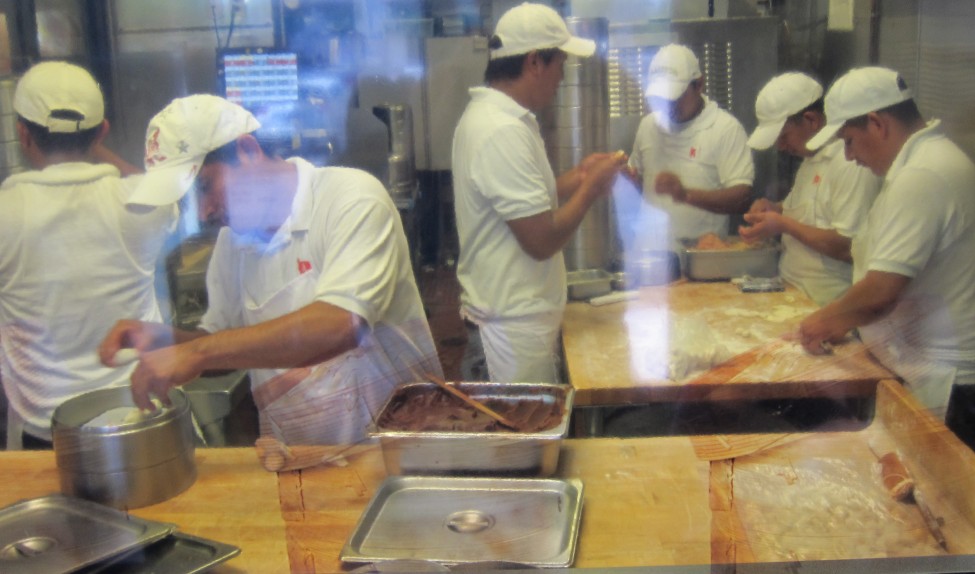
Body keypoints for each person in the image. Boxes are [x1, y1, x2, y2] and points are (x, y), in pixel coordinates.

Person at [99, 94, 442, 460]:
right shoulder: (233, 244)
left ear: (246, 150)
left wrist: (196, 353)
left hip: (396, 450)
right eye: (191, 198)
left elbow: (342, 323)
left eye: (205, 186)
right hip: (299, 460)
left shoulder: (350, 198)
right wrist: (169, 341)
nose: (204, 211)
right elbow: (223, 343)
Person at [797, 67, 975, 459]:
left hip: (950, 384)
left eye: (850, 140)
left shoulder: (922, 175)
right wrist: (847, 321)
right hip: (929, 372)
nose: (849, 155)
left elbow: (881, 293)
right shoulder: (918, 164)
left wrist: (822, 322)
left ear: (877, 123)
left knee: (945, 510)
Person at [0, 61, 177, 449]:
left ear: (22, 133)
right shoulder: (138, 204)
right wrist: (94, 147)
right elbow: (161, 190)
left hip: (45, 433)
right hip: (138, 413)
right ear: (102, 132)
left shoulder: (5, 213)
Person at [451, 2, 626, 384]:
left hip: (516, 323)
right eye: (560, 63)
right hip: (508, 335)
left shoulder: (498, 118)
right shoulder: (501, 130)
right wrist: (592, 191)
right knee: (518, 442)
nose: (562, 76)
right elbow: (541, 239)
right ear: (534, 62)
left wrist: (578, 178)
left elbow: (522, 204)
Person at [740, 72, 881, 306]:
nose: (781, 147)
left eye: (784, 136)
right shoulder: (810, 160)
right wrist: (773, 209)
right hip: (794, 297)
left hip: (828, 304)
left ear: (812, 120)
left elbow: (849, 248)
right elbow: (809, 213)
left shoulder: (851, 163)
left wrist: (783, 223)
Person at [626, 43, 754, 250]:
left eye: (675, 97)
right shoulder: (648, 126)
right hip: (649, 257)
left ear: (699, 85)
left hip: (699, 259)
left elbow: (742, 198)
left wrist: (686, 194)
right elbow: (642, 184)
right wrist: (627, 179)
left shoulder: (724, 128)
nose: (668, 106)